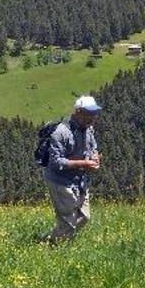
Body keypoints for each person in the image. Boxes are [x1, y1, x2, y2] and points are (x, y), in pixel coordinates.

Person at [41, 95, 102, 244]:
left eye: (95, 113)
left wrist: (95, 157)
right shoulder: (61, 132)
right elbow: (56, 162)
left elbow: (92, 147)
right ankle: (57, 249)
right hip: (60, 181)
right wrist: (85, 164)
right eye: (90, 113)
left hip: (79, 180)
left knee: (84, 217)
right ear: (78, 112)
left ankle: (48, 240)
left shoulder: (89, 129)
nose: (93, 117)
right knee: (68, 221)